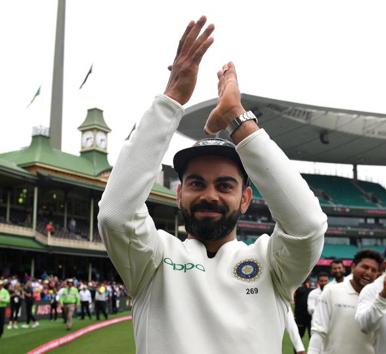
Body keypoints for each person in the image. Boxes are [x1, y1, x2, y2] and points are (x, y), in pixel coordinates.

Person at [97, 16, 327, 354]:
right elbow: (115, 216)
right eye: (196, 183)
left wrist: (238, 118)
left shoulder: (270, 262)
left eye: (225, 185)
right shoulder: (153, 258)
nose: (209, 195)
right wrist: (172, 98)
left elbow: (307, 225)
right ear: (179, 193)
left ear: (246, 198)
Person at [308, 250, 383, 354]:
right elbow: (318, 331)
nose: (368, 272)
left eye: (374, 270)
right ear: (353, 267)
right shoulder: (331, 291)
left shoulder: (380, 299)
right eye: (365, 267)